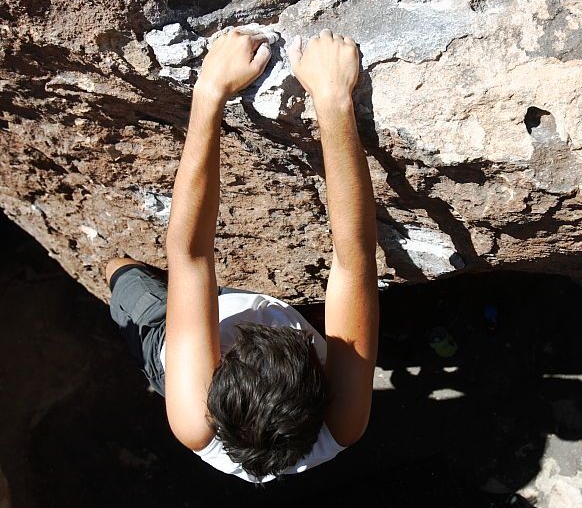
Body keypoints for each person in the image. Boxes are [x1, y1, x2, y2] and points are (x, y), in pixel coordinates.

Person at [104, 27, 379, 483]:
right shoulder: (344, 419)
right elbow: (355, 260)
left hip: (167, 344)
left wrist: (210, 90)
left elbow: (191, 255)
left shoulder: (194, 415)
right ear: (321, 387)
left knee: (121, 271)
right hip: (220, 320)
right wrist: (333, 102)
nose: (264, 322)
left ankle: (118, 274)